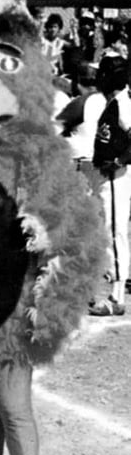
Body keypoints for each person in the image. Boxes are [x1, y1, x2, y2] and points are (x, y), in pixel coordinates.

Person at [80, 55, 131, 316]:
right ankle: (104, 289)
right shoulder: (113, 103)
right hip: (105, 176)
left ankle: (117, 297)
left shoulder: (124, 104)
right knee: (105, 230)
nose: (99, 77)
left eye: (103, 73)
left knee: (115, 231)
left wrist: (120, 160)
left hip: (116, 177)